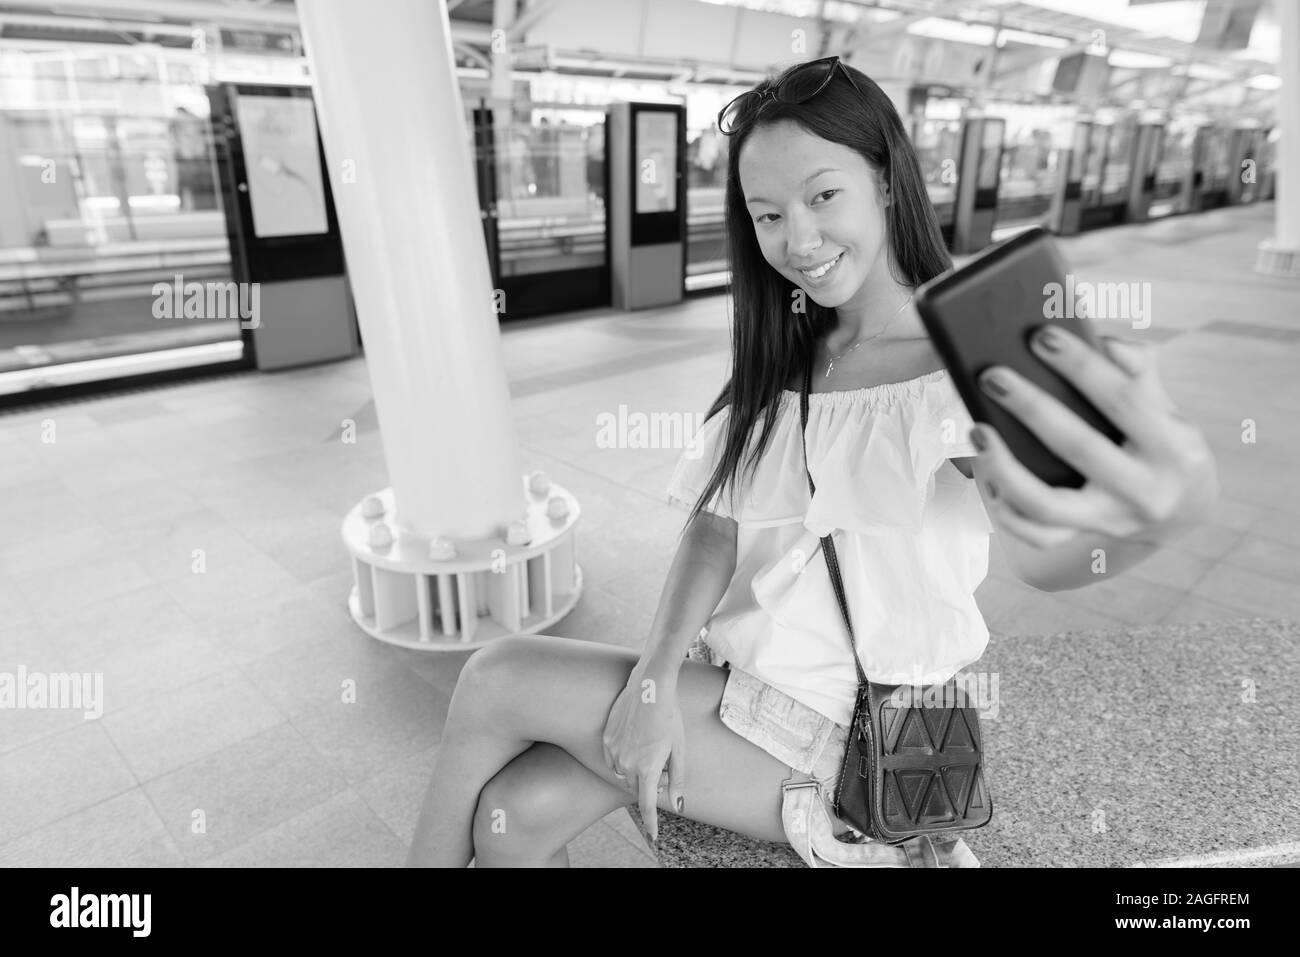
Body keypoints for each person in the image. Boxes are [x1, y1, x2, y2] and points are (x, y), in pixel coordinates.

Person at [405, 58, 1218, 868]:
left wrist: (1161, 505)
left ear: (888, 182)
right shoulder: (786, 353)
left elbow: (1047, 536)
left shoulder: (949, 372)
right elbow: (715, 528)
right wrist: (652, 679)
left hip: (850, 733)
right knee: (517, 811)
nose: (798, 240)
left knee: (498, 675)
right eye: (767, 214)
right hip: (735, 684)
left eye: (824, 196)